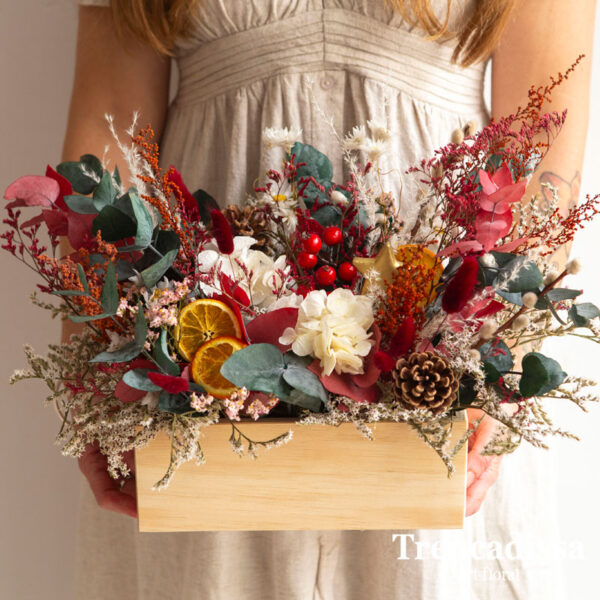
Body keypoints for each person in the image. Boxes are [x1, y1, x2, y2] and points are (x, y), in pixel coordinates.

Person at [64, 1, 595, 598]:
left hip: (441, 351)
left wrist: (504, 367)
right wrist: (90, 377)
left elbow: (542, 140)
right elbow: (108, 137)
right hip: (203, 350)